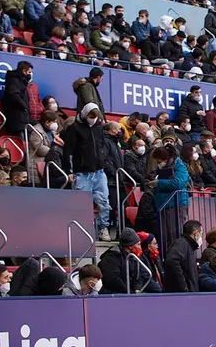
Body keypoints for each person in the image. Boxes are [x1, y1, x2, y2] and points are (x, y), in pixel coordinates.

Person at [63, 103, 110, 241]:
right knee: (80, 204)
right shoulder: (74, 128)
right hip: (82, 173)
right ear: (85, 114)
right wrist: (69, 171)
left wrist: (102, 159)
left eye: (95, 117)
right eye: (91, 116)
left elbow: (101, 145)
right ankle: (81, 230)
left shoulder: (99, 128)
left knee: (104, 202)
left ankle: (103, 228)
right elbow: (68, 151)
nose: (93, 119)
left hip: (99, 172)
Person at [98, 228, 151, 294]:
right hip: (114, 293)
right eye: (138, 244)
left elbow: (140, 274)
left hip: (130, 291)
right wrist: (129, 291)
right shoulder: (111, 257)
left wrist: (137, 288)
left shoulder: (134, 256)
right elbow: (112, 280)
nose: (140, 247)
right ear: (130, 246)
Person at [164, 220, 203, 293]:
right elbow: (172, 261)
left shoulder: (188, 246)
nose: (201, 237)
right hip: (180, 296)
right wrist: (184, 287)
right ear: (196, 233)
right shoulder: (182, 243)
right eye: (201, 234)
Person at [1, 60, 32, 136]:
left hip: (21, 118)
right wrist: (25, 107)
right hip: (16, 119)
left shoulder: (21, 81)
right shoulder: (14, 80)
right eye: (29, 72)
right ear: (24, 71)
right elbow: (14, 95)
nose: (30, 74)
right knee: (18, 141)